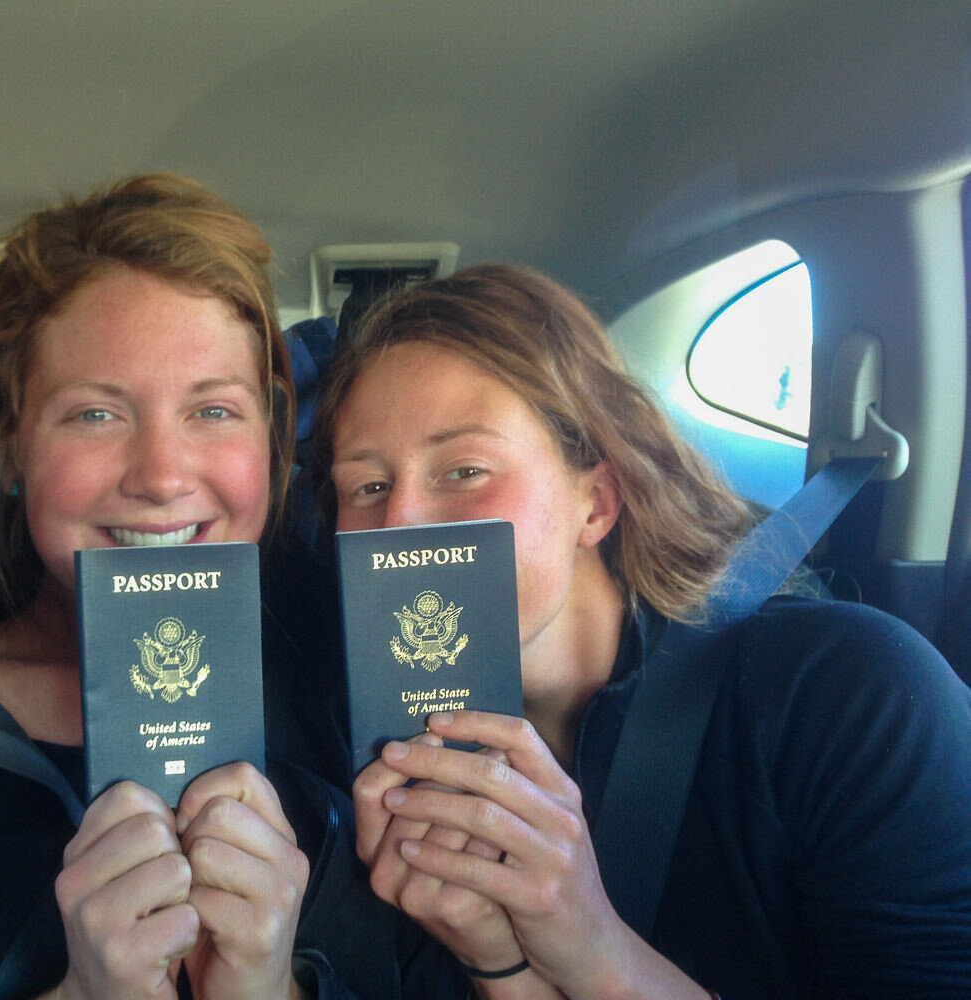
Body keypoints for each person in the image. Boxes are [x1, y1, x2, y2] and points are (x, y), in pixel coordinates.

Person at [0, 174, 461, 999]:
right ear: (13, 445)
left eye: (214, 411)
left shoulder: (362, 695)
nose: (163, 477)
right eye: (96, 414)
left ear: (271, 438)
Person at [310, 263, 971, 998]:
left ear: (597, 501)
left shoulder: (859, 696)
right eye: (366, 486)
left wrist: (591, 947)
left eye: (464, 470)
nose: (398, 523)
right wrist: (499, 961)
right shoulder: (370, 756)